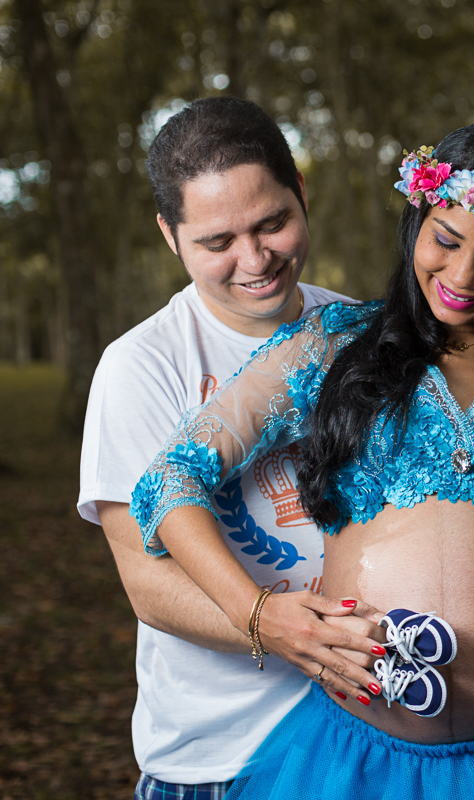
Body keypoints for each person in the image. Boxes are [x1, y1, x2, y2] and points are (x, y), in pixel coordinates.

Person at [128, 120, 474, 798]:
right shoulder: (333, 345)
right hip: (355, 760)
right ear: (417, 222)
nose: (462, 275)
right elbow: (173, 477)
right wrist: (256, 612)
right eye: (445, 240)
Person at [77, 96, 383, 799]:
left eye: (272, 222)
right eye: (218, 242)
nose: (256, 259)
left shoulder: (362, 335)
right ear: (170, 235)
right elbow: (149, 586)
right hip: (222, 759)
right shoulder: (141, 366)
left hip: (369, 742)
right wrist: (270, 624)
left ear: (301, 192)